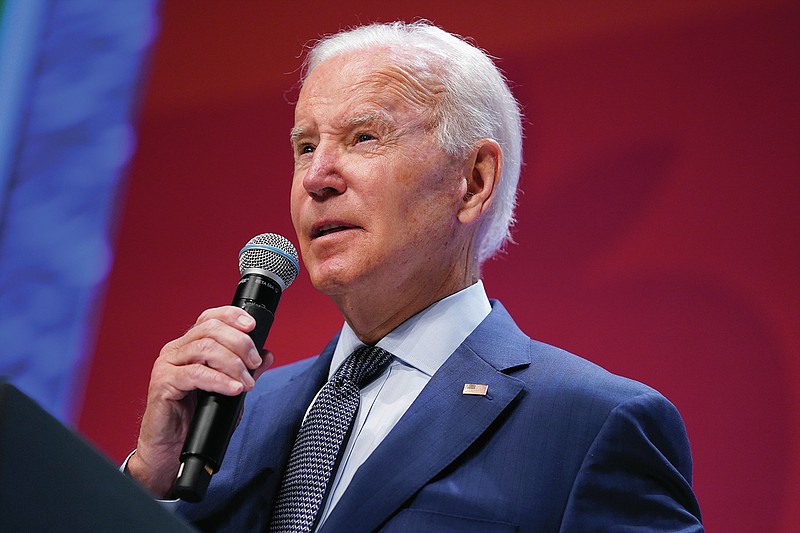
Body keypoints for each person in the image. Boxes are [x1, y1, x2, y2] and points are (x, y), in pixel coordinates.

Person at [126, 21, 703, 532]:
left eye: (364, 138)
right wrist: (147, 480)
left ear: (474, 181)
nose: (317, 177)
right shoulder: (232, 412)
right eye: (305, 146)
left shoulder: (591, 425)